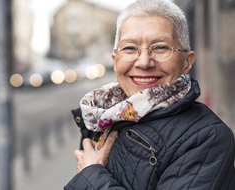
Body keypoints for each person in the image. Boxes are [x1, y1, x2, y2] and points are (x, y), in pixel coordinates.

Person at [64, 0, 235, 189]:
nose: (144, 62)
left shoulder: (207, 137)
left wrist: (90, 176)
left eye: (161, 47)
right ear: (115, 60)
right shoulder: (102, 115)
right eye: (129, 48)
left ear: (187, 61)